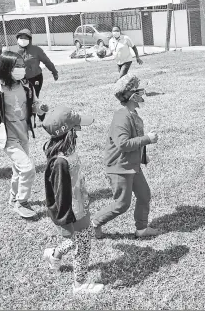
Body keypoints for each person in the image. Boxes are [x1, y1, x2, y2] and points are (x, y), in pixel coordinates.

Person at [0, 51, 48, 218]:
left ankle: (13, 198)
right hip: (6, 136)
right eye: (17, 66)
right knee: (27, 168)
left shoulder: (26, 85)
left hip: (23, 133)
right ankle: (22, 202)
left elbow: (34, 104)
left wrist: (40, 108)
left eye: (22, 66)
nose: (21, 69)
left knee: (19, 169)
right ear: (5, 68)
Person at [41, 106, 104, 294]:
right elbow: (59, 194)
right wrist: (66, 220)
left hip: (80, 205)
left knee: (82, 238)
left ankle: (55, 254)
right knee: (83, 244)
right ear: (69, 132)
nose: (79, 132)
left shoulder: (69, 152)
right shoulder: (60, 161)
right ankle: (80, 284)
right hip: (73, 212)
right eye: (77, 128)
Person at [92, 74, 161, 239]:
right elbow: (123, 144)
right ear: (132, 95)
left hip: (132, 165)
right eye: (139, 90)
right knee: (122, 204)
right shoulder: (122, 116)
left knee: (144, 195)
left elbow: (134, 139)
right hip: (120, 167)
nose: (142, 93)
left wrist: (142, 156)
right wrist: (148, 139)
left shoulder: (132, 113)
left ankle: (142, 228)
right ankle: (93, 223)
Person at [0, 29, 59, 125]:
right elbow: (3, 61)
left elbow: (47, 61)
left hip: (35, 78)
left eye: (25, 38)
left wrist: (54, 72)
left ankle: (41, 117)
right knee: (22, 98)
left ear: (30, 39)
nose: (23, 40)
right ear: (17, 39)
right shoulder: (12, 50)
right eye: (21, 38)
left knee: (34, 97)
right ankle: (25, 118)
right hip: (19, 79)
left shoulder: (37, 50)